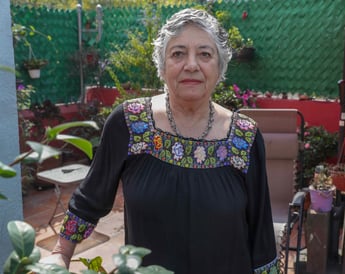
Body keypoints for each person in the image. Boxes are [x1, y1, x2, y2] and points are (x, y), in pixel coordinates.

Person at [43, 8, 278, 274]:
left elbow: (261, 234)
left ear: (220, 66)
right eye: (178, 53)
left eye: (204, 54)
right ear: (162, 65)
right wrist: (60, 254)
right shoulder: (130, 123)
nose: (191, 65)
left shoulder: (244, 137)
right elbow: (90, 199)